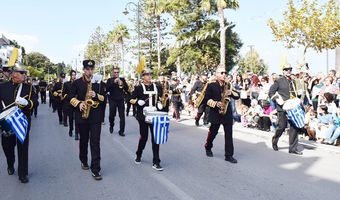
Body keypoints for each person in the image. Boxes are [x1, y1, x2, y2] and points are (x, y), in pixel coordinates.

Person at [0, 66, 38, 183]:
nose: (24, 75)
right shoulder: (2, 86)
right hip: (7, 121)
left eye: (24, 73)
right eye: (22, 73)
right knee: (7, 146)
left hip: (22, 121)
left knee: (23, 147)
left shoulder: (29, 88)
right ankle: (10, 163)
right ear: (14, 74)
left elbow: (35, 102)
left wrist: (27, 102)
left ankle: (23, 173)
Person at [69, 60, 105, 180]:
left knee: (95, 142)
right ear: (84, 70)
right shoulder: (77, 83)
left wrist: (96, 95)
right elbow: (70, 97)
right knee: (84, 141)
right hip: (82, 115)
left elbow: (104, 98)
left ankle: (96, 169)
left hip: (95, 115)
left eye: (91, 69)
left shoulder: (99, 83)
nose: (90, 71)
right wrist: (79, 103)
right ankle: (84, 160)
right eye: (87, 69)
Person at [130, 68, 164, 171]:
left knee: (155, 138)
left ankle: (156, 161)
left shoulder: (157, 86)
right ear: (143, 76)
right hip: (143, 116)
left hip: (154, 114)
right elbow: (130, 99)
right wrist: (137, 102)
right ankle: (138, 154)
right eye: (147, 74)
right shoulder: (138, 88)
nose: (149, 76)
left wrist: (160, 104)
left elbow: (161, 99)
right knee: (144, 137)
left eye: (150, 74)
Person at [204, 66, 240, 163]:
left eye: (225, 73)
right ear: (216, 74)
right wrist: (216, 103)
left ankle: (228, 155)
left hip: (227, 113)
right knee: (213, 133)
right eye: (221, 73)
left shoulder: (228, 85)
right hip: (216, 113)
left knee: (229, 134)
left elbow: (238, 96)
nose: (224, 75)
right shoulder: (211, 85)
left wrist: (231, 92)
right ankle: (208, 147)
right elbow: (206, 99)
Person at [269, 64, 303, 155]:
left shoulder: (294, 81)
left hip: (292, 107)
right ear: (283, 71)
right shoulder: (279, 81)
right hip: (282, 107)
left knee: (294, 127)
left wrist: (299, 94)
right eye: (286, 69)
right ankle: (275, 140)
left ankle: (293, 148)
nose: (288, 71)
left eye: (290, 69)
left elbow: (297, 94)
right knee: (282, 126)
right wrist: (277, 100)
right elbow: (271, 92)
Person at [106, 67, 128, 136]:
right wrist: (113, 82)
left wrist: (122, 84)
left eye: (117, 72)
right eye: (115, 72)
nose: (116, 74)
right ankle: (111, 125)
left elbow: (127, 89)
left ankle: (121, 131)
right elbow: (107, 89)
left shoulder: (122, 79)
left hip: (121, 100)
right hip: (112, 100)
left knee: (122, 117)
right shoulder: (109, 80)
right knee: (112, 115)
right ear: (113, 73)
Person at [62, 70, 77, 137]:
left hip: (77, 103)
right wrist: (70, 98)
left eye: (74, 75)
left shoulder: (77, 83)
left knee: (77, 119)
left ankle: (77, 132)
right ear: (70, 76)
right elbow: (63, 94)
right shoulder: (66, 84)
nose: (74, 76)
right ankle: (71, 130)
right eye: (73, 75)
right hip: (69, 103)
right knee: (70, 118)